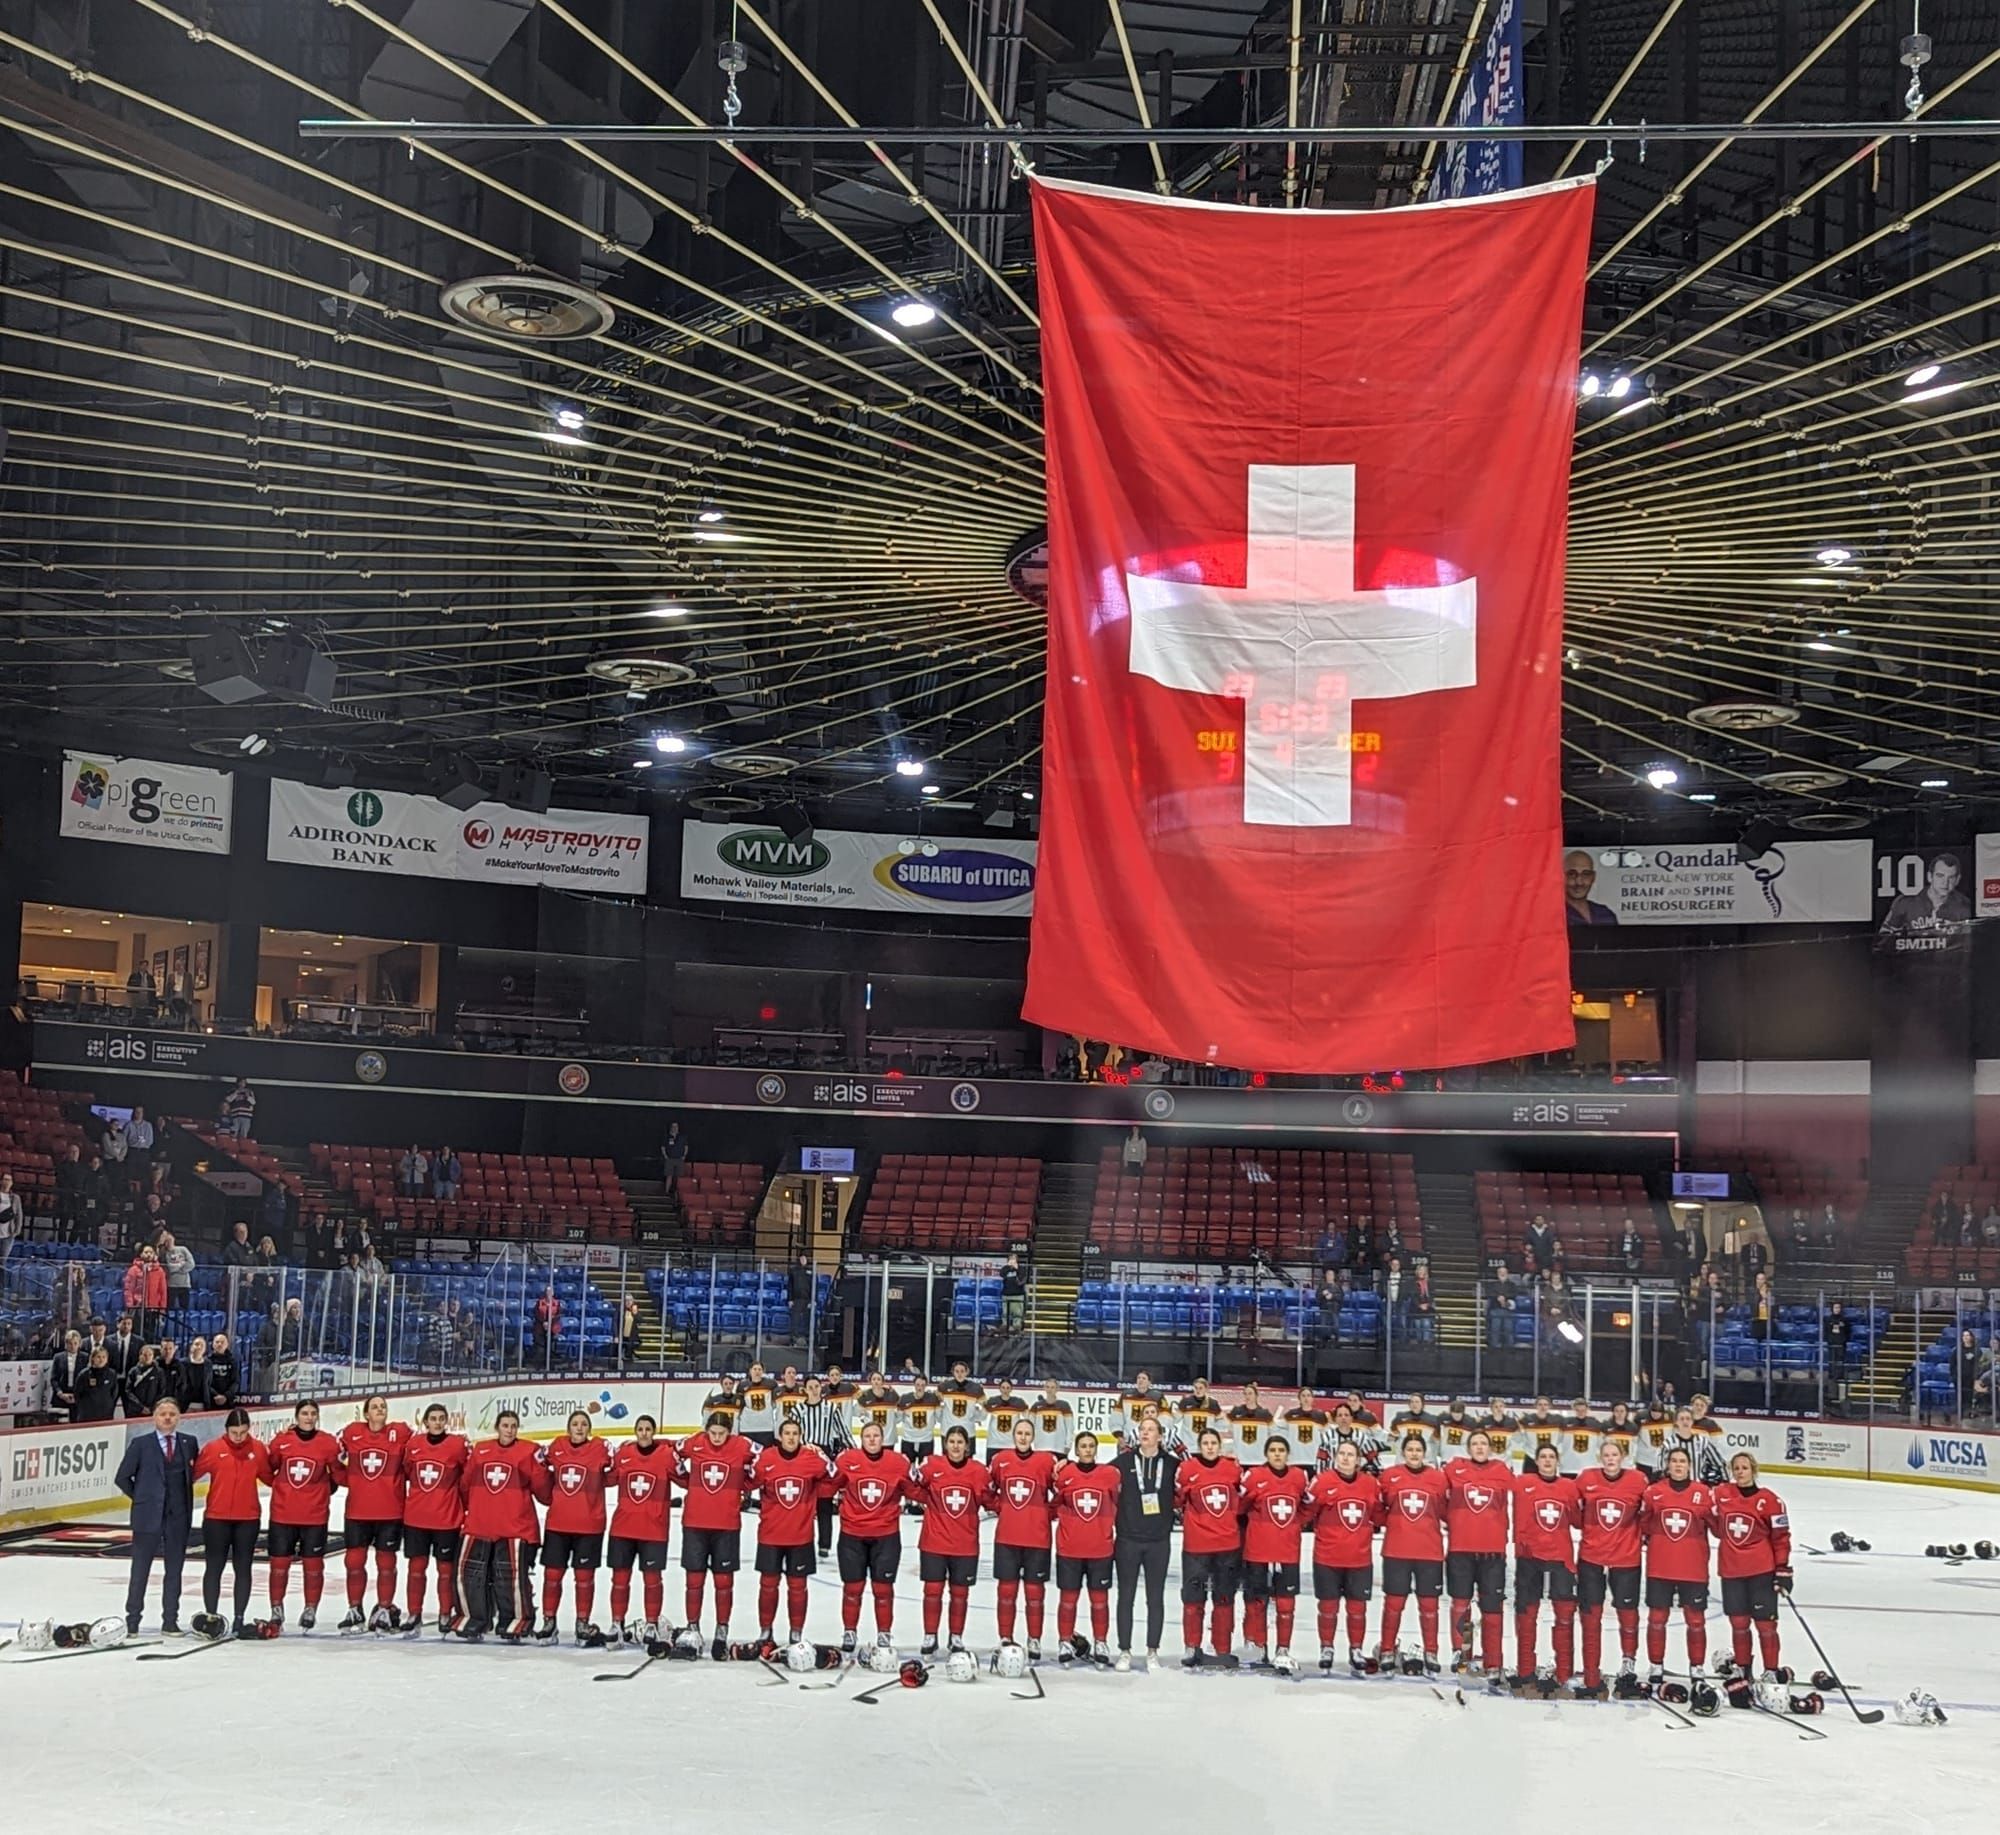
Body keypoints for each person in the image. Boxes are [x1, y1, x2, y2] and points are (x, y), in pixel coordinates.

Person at [458, 1410, 549, 1642]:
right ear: (497, 1427)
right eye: (505, 1425)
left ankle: (516, 1620)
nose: (509, 1429)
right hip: (480, 1524)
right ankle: (475, 1618)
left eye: (514, 1425)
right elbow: (466, 1485)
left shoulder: (528, 1451)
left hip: (516, 1527)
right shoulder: (480, 1451)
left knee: (509, 1577)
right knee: (472, 1575)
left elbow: (543, 1491)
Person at [116, 1395, 200, 1635]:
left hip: (178, 1518)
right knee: (140, 1571)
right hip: (147, 1517)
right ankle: (133, 1621)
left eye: (172, 1414)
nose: (167, 1418)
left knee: (174, 1572)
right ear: (154, 1417)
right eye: (163, 1414)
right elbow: (122, 1477)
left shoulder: (188, 1442)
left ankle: (170, 1620)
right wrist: (143, 1499)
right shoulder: (140, 1444)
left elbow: (191, 1475)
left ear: (179, 1418)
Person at [675, 1411, 757, 1657]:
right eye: (713, 1433)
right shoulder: (695, 1442)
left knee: (724, 1582)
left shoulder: (742, 1445)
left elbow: (765, 1460)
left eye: (722, 1433)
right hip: (695, 1523)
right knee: (694, 1581)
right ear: (706, 1430)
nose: (718, 1438)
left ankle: (722, 1631)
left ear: (730, 1431)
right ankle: (693, 1628)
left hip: (727, 1524)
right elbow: (671, 1453)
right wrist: (685, 1480)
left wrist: (745, 1482)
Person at [829, 1421, 912, 1659]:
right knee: (852, 1588)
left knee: (883, 1589)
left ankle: (884, 1633)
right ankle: (849, 1631)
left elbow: (915, 1489)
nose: (872, 1440)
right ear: (861, 1438)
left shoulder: (898, 1463)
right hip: (852, 1534)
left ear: (883, 1437)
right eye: (867, 1436)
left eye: (876, 1435)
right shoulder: (847, 1460)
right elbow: (829, 1486)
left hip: (885, 1535)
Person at [1574, 1434, 1649, 1697]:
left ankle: (1628, 1664)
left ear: (1623, 1457)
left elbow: (1649, 1513)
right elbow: (1573, 1510)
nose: (1610, 1460)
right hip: (1592, 1557)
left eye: (1615, 1455)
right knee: (1590, 1615)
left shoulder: (1638, 1480)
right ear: (1599, 1458)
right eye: (1606, 1455)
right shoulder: (1586, 1478)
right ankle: (1591, 1670)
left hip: (1626, 1558)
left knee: (1627, 1612)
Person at [1639, 1444, 1715, 1689]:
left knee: (1695, 1620)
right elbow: (1644, 1525)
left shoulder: (1703, 1493)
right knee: (1657, 1618)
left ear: (1689, 1465)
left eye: (1683, 1461)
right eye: (1674, 1461)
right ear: (1667, 1465)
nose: (1678, 1465)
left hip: (1693, 1568)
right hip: (1660, 1566)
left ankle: (1696, 1666)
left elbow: (1716, 1526)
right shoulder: (1653, 1492)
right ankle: (1656, 1665)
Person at [749, 1417, 829, 1647]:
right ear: (780, 1436)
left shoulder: (811, 1459)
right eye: (787, 1433)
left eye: (795, 1433)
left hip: (800, 1536)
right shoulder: (766, 1458)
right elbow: (748, 1481)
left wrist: (822, 1454)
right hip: (770, 1534)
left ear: (800, 1436)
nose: (791, 1437)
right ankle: (765, 1631)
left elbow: (833, 1476)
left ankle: (796, 1633)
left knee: (797, 1587)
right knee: (768, 1584)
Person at [1305, 1437, 1383, 1674]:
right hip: (1327, 1557)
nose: (1346, 1458)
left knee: (1357, 1608)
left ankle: (1356, 1649)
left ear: (1358, 1460)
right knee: (1327, 1607)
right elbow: (1307, 1513)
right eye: (1342, 1454)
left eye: (1350, 1455)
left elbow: (1379, 1515)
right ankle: (1326, 1647)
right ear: (1335, 1457)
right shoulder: (1321, 1482)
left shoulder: (1370, 1484)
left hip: (1359, 1557)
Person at [910, 1423, 987, 1657]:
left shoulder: (978, 1471)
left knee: (960, 1592)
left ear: (967, 1446)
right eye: (951, 1441)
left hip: (965, 1543)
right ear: (945, 1444)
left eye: (960, 1442)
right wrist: (927, 1499)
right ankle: (930, 1635)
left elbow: (990, 1498)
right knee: (932, 1590)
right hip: (934, 1541)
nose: (955, 1446)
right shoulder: (932, 1465)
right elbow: (912, 1486)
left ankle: (956, 1637)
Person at [1443, 1428, 1513, 1685]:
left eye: (1484, 1443)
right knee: (1461, 1605)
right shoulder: (1453, 1469)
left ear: (1490, 1447)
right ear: (1468, 1447)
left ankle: (1493, 1660)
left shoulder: (1502, 1471)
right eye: (1475, 1443)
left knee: (1492, 1609)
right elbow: (1440, 1501)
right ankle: (1462, 1653)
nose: (1480, 1447)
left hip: (1493, 1551)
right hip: (1461, 1549)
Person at [1715, 1452, 1791, 1686]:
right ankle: (1743, 1668)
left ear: (1753, 1470)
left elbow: (1781, 1537)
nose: (1740, 1472)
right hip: (1731, 1570)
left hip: (1761, 1571)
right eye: (1736, 1468)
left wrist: (1783, 1569)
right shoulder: (1721, 1495)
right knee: (1739, 1624)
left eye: (1744, 1468)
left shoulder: (1771, 1501)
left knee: (1765, 1624)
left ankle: (1770, 1670)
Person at [539, 1410, 614, 1645]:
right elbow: (537, 1465)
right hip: (558, 1524)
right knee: (552, 1575)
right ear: (568, 1428)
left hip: (589, 1525)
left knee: (584, 1577)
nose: (579, 1428)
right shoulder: (556, 1446)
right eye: (575, 1424)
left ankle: (582, 1622)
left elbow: (617, 1469)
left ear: (589, 1429)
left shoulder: (601, 1448)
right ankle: (549, 1622)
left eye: (583, 1424)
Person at [336, 1395, 410, 1632]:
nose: (380, 1410)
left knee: (386, 1562)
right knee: (354, 1561)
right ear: (366, 1413)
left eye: (383, 1406)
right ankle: (355, 1608)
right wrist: (347, 1481)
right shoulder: (350, 1433)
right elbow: (329, 1453)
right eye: (375, 1407)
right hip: (357, 1511)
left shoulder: (401, 1432)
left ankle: (384, 1609)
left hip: (390, 1511)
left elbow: (425, 1448)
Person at [194, 1408, 270, 1637]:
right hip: (216, 1518)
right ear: (226, 1429)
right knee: (214, 1568)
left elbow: (270, 1477)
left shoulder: (258, 1449)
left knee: (243, 1568)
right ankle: (211, 1616)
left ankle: (239, 1618)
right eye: (234, 1432)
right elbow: (192, 1474)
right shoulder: (213, 1449)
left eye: (243, 1432)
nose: (238, 1437)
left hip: (247, 1519)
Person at [266, 1399, 341, 1631]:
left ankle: (310, 1609)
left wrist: (320, 1493)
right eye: (304, 1413)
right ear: (296, 1416)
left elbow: (337, 1475)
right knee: (278, 1565)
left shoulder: (328, 1444)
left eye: (313, 1413)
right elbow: (271, 1469)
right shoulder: (281, 1442)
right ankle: (276, 1609)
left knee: (313, 1566)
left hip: (314, 1516)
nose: (309, 1417)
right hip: (283, 1513)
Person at [1511, 1441, 1580, 1693]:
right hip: (1530, 1559)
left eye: (1552, 1457)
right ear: (1536, 1461)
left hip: (1560, 1559)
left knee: (1564, 1616)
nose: (1548, 1461)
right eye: (1543, 1457)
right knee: (1527, 1617)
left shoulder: (1569, 1488)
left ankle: (1563, 1671)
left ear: (1557, 1461)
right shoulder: (1521, 1483)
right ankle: (1525, 1669)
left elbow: (1577, 1520)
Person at [1111, 1412, 1178, 1670]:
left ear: (1160, 1436)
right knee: (1125, 1596)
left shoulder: (1171, 1464)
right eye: (1142, 1428)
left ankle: (1152, 1650)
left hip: (1158, 1541)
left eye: (1151, 1429)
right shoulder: (1122, 1461)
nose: (1145, 1433)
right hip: (1127, 1539)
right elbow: (1095, 1476)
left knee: (1155, 1597)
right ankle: (1125, 1650)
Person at [1377, 1432, 1448, 1674]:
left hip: (1429, 1551)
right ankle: (1387, 1649)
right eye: (1410, 1450)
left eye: (1419, 1450)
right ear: (1403, 1452)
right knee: (1394, 1603)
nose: (1414, 1454)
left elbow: (1444, 1511)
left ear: (1425, 1452)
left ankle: (1431, 1650)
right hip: (1397, 1550)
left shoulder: (1438, 1479)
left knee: (1429, 1605)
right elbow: (1380, 1509)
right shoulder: (1389, 1476)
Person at [1238, 1434, 1310, 1672]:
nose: (1277, 1454)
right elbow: (1240, 1506)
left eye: (1281, 1450)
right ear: (1266, 1454)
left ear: (1288, 1454)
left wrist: (1295, 1525)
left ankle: (1282, 1649)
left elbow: (1308, 1508)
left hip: (1287, 1551)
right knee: (1256, 1601)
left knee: (1286, 1604)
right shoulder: (1254, 1477)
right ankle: (1258, 1647)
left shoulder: (1299, 1477)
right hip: (1258, 1550)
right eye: (1273, 1450)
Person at [987, 1416, 1057, 1659]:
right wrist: (1001, 1508)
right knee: (1006, 1592)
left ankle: (1034, 1639)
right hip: (1007, 1537)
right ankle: (1005, 1636)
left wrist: (1046, 1513)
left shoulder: (1046, 1461)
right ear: (1013, 1435)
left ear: (1033, 1436)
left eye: (1028, 1433)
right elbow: (988, 1490)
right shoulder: (1001, 1460)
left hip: (1037, 1538)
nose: (1023, 1437)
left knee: (1034, 1593)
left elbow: (1061, 1493)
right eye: (1020, 1433)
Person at [1175, 1425, 1244, 1668]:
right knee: (1194, 1598)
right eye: (1205, 1443)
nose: (1210, 1447)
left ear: (1220, 1445)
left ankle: (1222, 1648)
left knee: (1224, 1598)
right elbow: (1177, 1499)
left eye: (1213, 1443)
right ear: (1199, 1446)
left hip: (1227, 1545)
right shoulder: (1187, 1469)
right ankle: (1192, 1646)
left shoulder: (1232, 1469)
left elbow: (1242, 1500)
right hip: (1197, 1546)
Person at [606, 1414, 677, 1643]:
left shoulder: (665, 1456)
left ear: (653, 1432)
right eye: (640, 1428)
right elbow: (607, 1479)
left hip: (654, 1529)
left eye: (648, 1429)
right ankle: (616, 1623)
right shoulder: (624, 1454)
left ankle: (652, 1624)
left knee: (652, 1580)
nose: (644, 1433)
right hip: (623, 1528)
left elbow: (685, 1479)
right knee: (619, 1579)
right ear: (635, 1431)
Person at [1051, 1431, 1120, 1664]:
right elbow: (1055, 1503)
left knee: (1099, 1600)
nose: (1088, 1450)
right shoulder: (1065, 1474)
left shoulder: (1109, 1475)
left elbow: (1118, 1505)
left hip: (1100, 1549)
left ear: (1096, 1449)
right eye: (1083, 1446)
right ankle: (1064, 1641)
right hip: (1069, 1549)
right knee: (1068, 1598)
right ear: (1076, 1450)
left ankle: (1101, 1641)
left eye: (1091, 1446)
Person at [403, 1402, 471, 1635]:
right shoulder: (413, 1445)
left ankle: (445, 1613)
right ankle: (414, 1612)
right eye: (433, 1418)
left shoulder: (457, 1446)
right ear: (426, 1422)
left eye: (442, 1418)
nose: (438, 1422)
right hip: (416, 1518)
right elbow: (408, 1472)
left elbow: (466, 1477)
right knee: (416, 1568)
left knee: (445, 1570)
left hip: (447, 1519)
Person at [123, 1245, 167, 1344]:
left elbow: (162, 1291)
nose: (148, 1255)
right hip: (138, 1307)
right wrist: (131, 1305)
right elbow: (129, 1289)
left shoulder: (160, 1271)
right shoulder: (133, 1270)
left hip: (153, 1308)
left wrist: (162, 1308)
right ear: (141, 1254)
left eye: (151, 1252)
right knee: (137, 1332)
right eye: (146, 1252)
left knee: (150, 1333)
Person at [1563, 849, 1619, 925]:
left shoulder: (1606, 914)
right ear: (1561, 876)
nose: (1579, 882)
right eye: (1572, 874)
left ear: (1593, 877)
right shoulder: (1553, 914)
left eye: (1585, 874)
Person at [1226, 1380, 1274, 1465]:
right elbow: (1227, 1426)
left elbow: (1273, 1432)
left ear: (1256, 1395)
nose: (1247, 1396)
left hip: (1259, 1460)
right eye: (1245, 1394)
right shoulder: (1236, 1411)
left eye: (1250, 1393)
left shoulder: (1264, 1414)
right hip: (1240, 1459)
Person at [1029, 1379, 1074, 1456]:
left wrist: (1068, 1445)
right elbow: (1029, 1426)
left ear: (1057, 1389)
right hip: (1040, 1447)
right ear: (1044, 1388)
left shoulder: (1064, 1405)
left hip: (1059, 1448)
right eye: (1048, 1387)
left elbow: (1070, 1427)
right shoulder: (1036, 1406)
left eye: (1052, 1387)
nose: (1050, 1389)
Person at [76, 1345, 120, 1419]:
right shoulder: (83, 1375)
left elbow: (114, 1394)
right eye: (98, 1357)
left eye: (104, 1357)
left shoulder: (112, 1374)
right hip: (87, 1415)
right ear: (93, 1358)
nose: (101, 1360)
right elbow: (77, 1395)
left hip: (106, 1414)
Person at [50, 1329, 85, 1419]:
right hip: (60, 1397)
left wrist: (77, 1395)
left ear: (79, 1344)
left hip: (78, 1398)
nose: (72, 1346)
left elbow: (86, 1380)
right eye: (70, 1343)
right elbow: (54, 1379)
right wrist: (60, 1393)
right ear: (66, 1344)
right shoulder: (58, 1357)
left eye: (75, 1343)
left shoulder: (86, 1358)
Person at [206, 1331, 239, 1409]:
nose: (219, 1344)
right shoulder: (207, 1361)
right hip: (211, 1401)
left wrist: (226, 1396)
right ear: (213, 1344)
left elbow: (235, 1381)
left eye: (222, 1342)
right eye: (217, 1342)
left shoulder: (233, 1361)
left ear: (227, 1344)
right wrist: (215, 1395)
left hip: (228, 1402)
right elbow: (205, 1383)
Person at [1001, 1254, 1027, 1333]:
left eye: (1014, 1259)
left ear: (1017, 1260)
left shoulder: (1021, 1268)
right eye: (1010, 1259)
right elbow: (1002, 1274)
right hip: (1006, 1294)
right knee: (1005, 1313)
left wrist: (1016, 1269)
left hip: (1017, 1295)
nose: (1012, 1260)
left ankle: (1017, 1328)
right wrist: (1009, 1267)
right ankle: (1005, 1326)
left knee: (1017, 1314)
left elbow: (1022, 1278)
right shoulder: (1005, 1268)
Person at [0, 1169, 20, 1267]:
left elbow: (19, 1215)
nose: (7, 1182)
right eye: (5, 1179)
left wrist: (16, 1232)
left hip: (8, 1235)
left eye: (9, 1180)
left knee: (3, 1262)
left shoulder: (15, 1198)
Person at [662, 1121, 688, 1192]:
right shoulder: (667, 1137)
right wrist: (665, 1156)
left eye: (676, 1126)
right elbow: (663, 1147)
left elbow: (686, 1147)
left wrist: (684, 1156)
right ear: (671, 1128)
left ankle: (677, 1192)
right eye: (673, 1126)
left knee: (679, 1177)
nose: (675, 1128)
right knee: (669, 1176)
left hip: (679, 1159)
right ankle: (667, 1192)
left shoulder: (682, 1137)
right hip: (670, 1159)